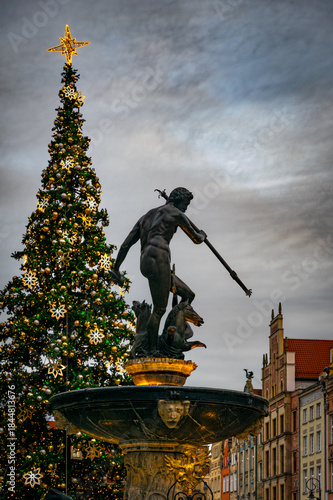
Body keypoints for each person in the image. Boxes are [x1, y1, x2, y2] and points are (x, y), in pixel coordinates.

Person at [112, 187, 206, 355]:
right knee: (159, 309)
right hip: (159, 258)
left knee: (188, 295)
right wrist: (202, 234)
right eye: (185, 204)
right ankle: (154, 349)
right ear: (177, 201)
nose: (186, 208)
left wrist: (116, 268)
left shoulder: (146, 216)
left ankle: (174, 331)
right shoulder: (177, 214)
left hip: (146, 261)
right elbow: (197, 239)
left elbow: (126, 245)